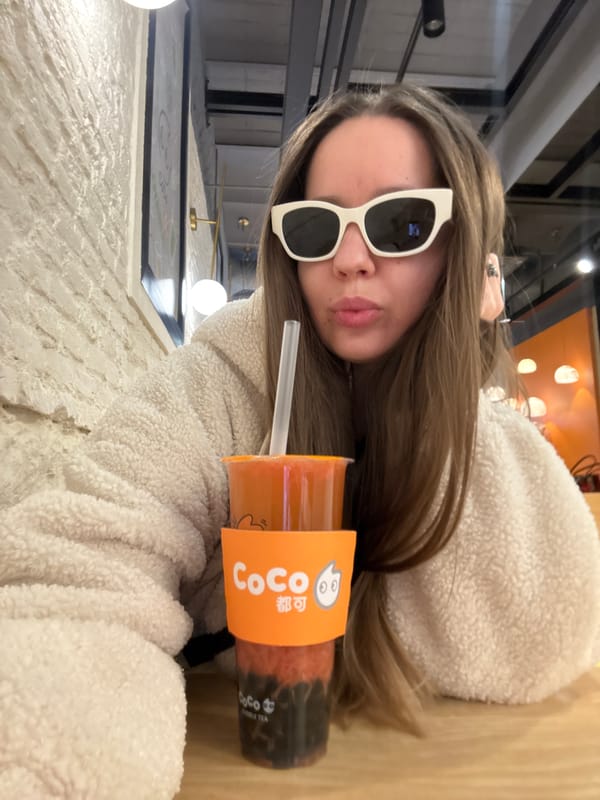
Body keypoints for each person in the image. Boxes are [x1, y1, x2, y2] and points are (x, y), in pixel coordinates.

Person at [1, 83, 598, 799]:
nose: (348, 259)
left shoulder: (489, 442)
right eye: (316, 228)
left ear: (467, 257)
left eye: (401, 224)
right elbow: (80, 585)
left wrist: (430, 402)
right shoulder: (224, 380)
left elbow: (537, 642)